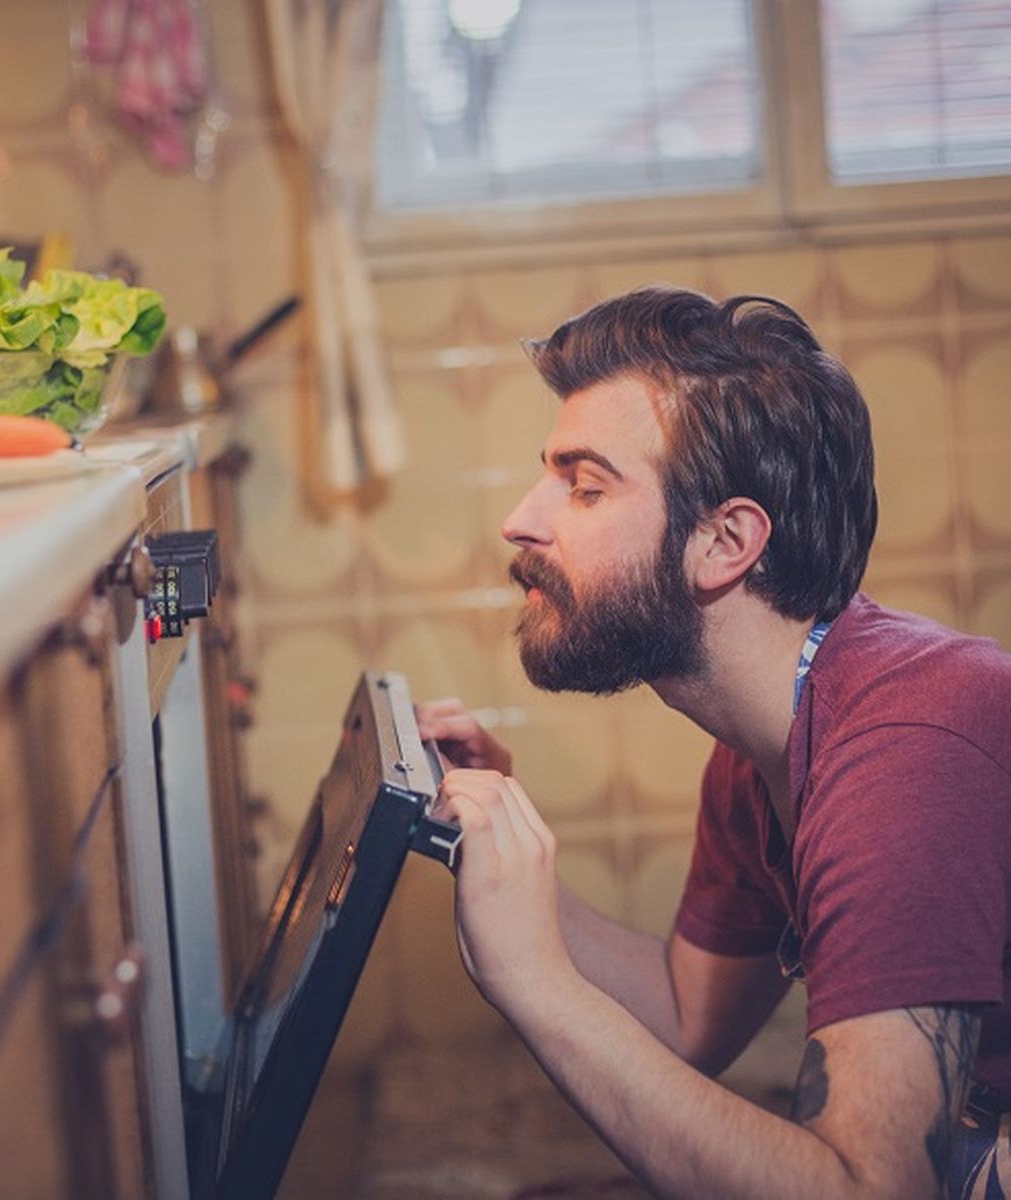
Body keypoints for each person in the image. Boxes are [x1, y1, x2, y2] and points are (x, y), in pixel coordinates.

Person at [416, 286, 1011, 1200]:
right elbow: (689, 1013)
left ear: (725, 541)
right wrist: (497, 850)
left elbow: (873, 1190)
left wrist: (539, 986)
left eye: (583, 486)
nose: (522, 520)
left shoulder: (904, 754)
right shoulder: (761, 750)